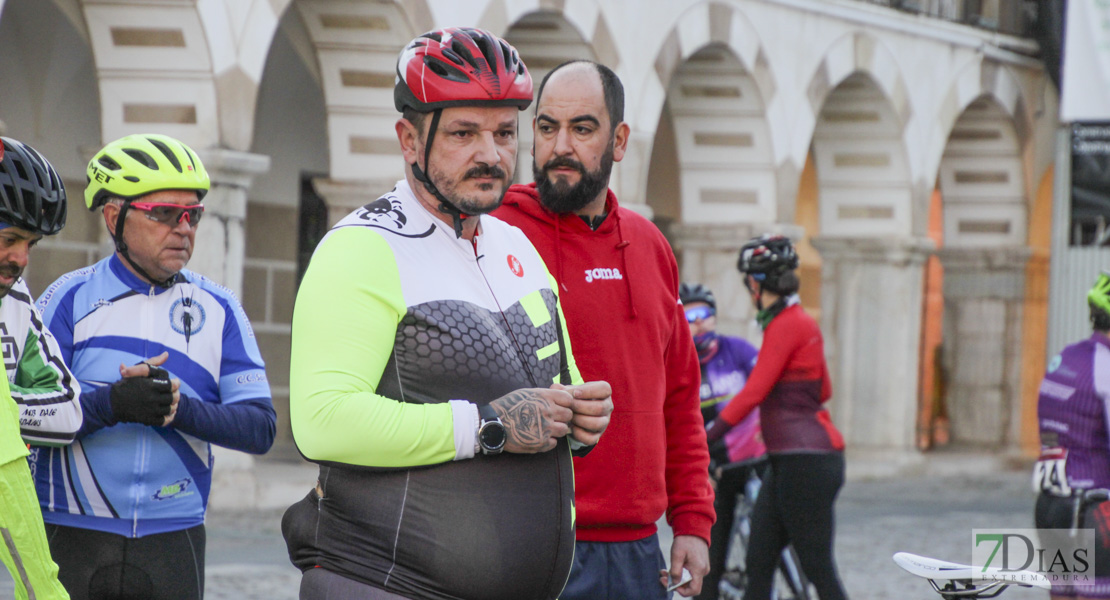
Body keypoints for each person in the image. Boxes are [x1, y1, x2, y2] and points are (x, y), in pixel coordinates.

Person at [280, 27, 613, 600]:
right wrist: (485, 426)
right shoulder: (362, 246)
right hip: (381, 583)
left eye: (505, 132)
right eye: (463, 132)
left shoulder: (516, 245)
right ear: (409, 138)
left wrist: (581, 416)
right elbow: (322, 420)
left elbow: (556, 381)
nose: (490, 153)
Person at [492, 60, 714, 599]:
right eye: (547, 128)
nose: (560, 145)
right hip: (531, 542)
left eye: (582, 128)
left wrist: (692, 521)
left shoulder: (651, 246)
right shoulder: (496, 235)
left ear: (618, 141)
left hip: (639, 551)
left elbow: (681, 399)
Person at [31, 133, 277, 600]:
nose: (183, 228)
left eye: (193, 215)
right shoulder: (67, 298)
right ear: (113, 216)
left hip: (173, 538)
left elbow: (260, 428)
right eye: (165, 213)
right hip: (71, 531)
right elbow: (25, 415)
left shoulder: (220, 308)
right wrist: (112, 404)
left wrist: (178, 409)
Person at [705, 234, 848, 600]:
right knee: (760, 559)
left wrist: (706, 436)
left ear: (754, 283)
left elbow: (753, 392)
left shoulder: (786, 324)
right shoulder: (797, 321)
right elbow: (824, 390)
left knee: (817, 566)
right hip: (790, 459)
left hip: (806, 462)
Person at [0, 137, 78, 600]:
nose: (21, 259)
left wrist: (7, 408)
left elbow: (68, 413)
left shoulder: (14, 297)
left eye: (30, 243)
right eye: (9, 239)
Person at [679, 283, 763, 600]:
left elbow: (762, 390)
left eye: (706, 314)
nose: (700, 322)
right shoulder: (680, 364)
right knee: (715, 542)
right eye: (691, 316)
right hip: (712, 468)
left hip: (752, 456)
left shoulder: (738, 350)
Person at [1034, 271, 1110, 600]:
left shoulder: (1066, 357)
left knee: (1062, 592)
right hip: (1094, 510)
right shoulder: (1106, 367)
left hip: (1052, 505)